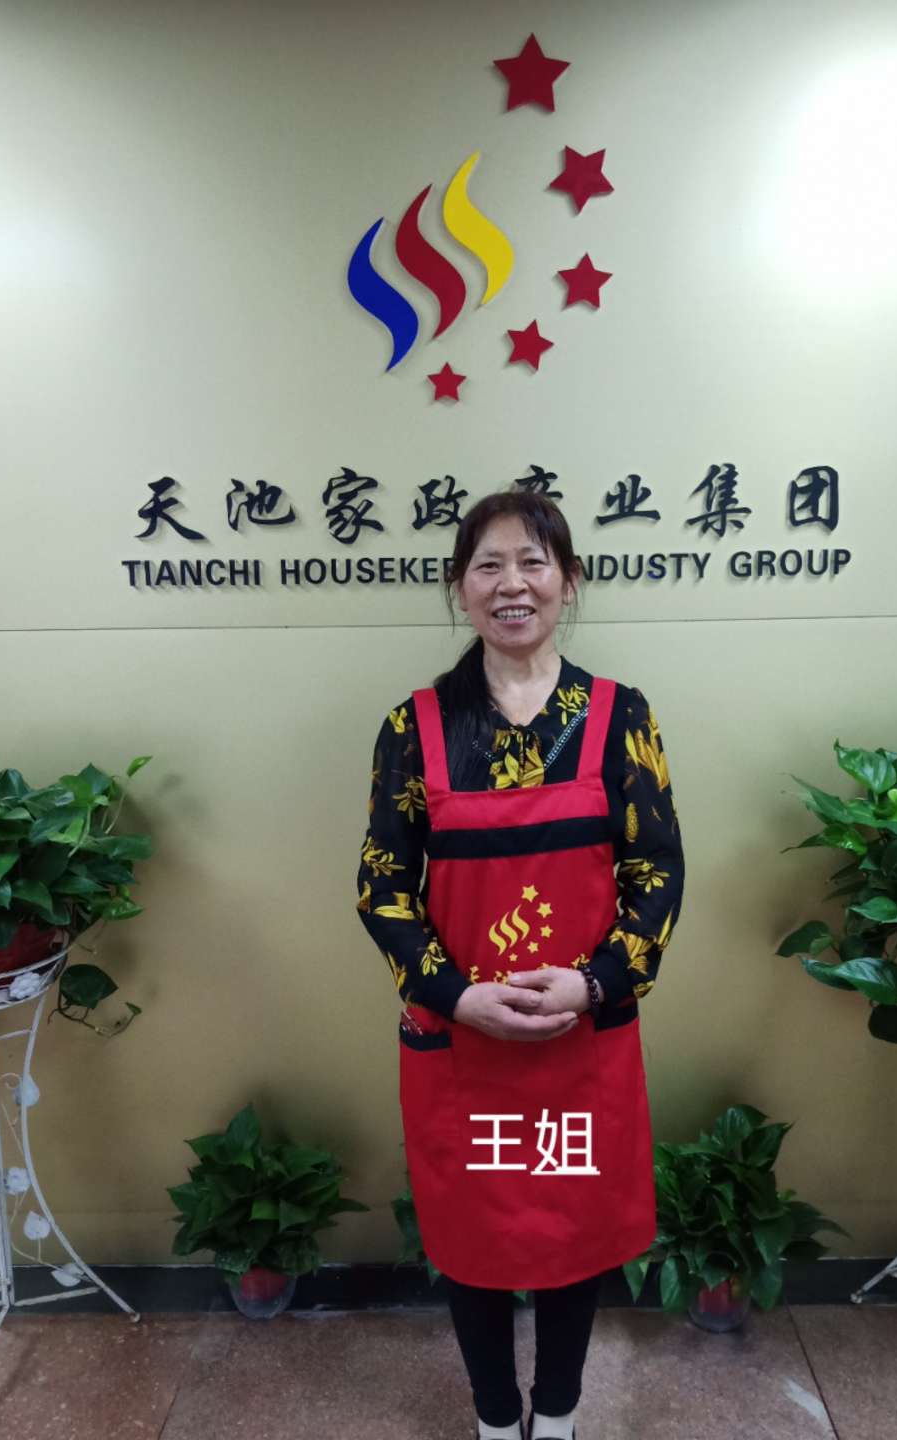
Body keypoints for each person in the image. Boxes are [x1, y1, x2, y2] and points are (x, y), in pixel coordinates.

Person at [356, 487, 684, 1440]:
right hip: (465, 1047)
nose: (512, 584)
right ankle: (497, 1418)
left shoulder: (620, 716)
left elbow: (657, 873)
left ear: (567, 581)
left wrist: (594, 983)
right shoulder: (415, 727)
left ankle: (560, 1414)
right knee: (475, 1240)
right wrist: (457, 996)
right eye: (489, 565)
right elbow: (383, 887)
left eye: (533, 562)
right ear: (459, 587)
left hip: (579, 1044)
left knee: (575, 1234)